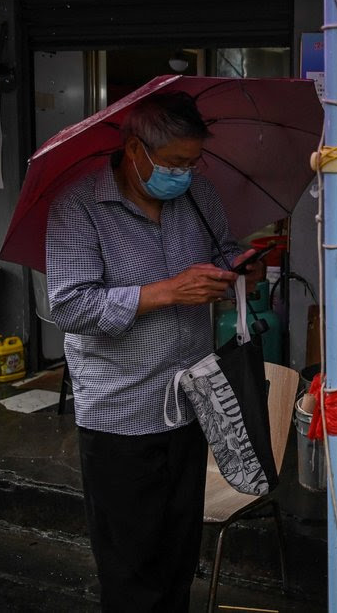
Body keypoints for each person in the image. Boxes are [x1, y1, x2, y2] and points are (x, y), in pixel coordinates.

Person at [46, 92, 265, 611]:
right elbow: (70, 307)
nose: (185, 174)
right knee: (131, 567)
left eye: (193, 162)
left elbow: (218, 253)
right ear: (135, 149)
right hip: (120, 413)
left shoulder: (199, 196)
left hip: (191, 399)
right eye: (174, 164)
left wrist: (240, 270)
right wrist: (169, 290)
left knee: (178, 552)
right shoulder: (78, 206)